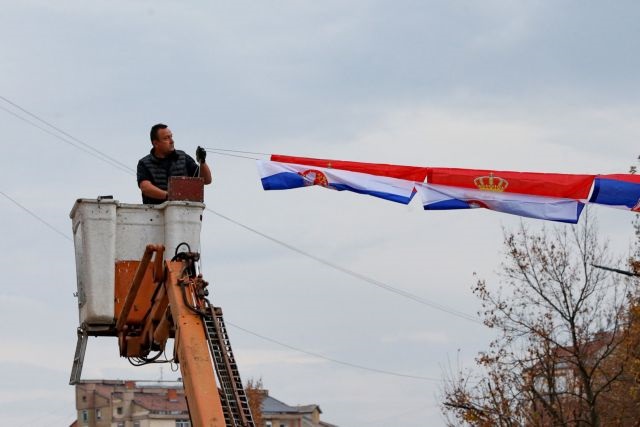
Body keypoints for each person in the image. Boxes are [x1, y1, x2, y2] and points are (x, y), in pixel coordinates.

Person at [137, 123, 212, 204]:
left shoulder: (183, 157)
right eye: (166, 138)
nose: (172, 141)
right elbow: (145, 188)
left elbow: (206, 180)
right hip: (155, 213)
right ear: (155, 143)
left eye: (171, 137)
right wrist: (170, 196)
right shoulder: (144, 163)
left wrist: (202, 161)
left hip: (184, 212)